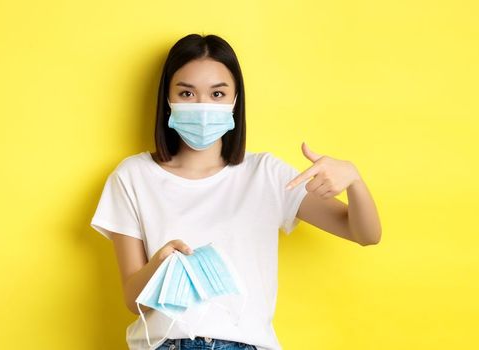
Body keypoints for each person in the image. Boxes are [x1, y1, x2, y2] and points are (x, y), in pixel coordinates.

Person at [90, 33, 382, 350]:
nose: (202, 106)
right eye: (187, 93)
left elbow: (365, 234)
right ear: (168, 99)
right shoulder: (133, 177)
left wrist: (354, 180)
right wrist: (160, 264)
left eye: (217, 94)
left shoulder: (266, 175)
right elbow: (135, 302)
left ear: (234, 101)